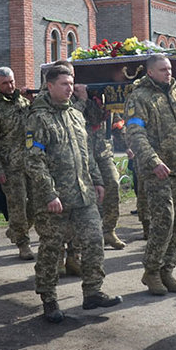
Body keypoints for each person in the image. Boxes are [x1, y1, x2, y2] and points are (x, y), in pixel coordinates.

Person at [25, 63, 122, 322]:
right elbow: (34, 160)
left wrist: (98, 180)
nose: (70, 89)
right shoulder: (39, 118)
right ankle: (49, 299)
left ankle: (93, 292)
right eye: (64, 84)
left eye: (71, 84)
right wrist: (49, 194)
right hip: (55, 199)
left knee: (93, 241)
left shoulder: (76, 115)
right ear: (50, 86)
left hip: (83, 193)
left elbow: (86, 152)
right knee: (51, 248)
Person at [125, 54, 176, 295]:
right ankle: (151, 271)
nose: (168, 73)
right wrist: (153, 161)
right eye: (163, 70)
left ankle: (167, 270)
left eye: (169, 69)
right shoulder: (139, 97)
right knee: (164, 220)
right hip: (157, 171)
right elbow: (135, 134)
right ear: (150, 72)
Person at [0, 67, 35, 261]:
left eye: (12, 82)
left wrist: (30, 101)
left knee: (36, 204)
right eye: (5, 83)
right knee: (18, 206)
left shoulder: (21, 101)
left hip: (29, 162)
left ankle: (15, 230)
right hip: (9, 166)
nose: (10, 86)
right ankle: (23, 244)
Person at [73, 84, 127, 250]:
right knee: (89, 193)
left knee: (112, 183)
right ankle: (88, 234)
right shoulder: (72, 96)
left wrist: (127, 146)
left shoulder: (104, 97)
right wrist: (82, 98)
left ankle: (109, 230)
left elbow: (117, 122)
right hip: (82, 153)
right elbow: (73, 116)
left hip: (103, 150)